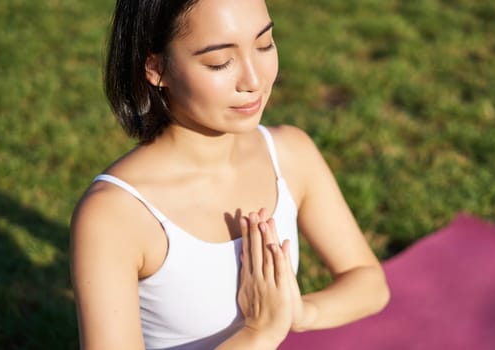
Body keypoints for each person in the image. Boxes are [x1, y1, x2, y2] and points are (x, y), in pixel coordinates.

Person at [70, 0, 390, 348]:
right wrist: (260, 332)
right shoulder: (115, 215)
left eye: (264, 43)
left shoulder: (290, 154)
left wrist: (296, 312)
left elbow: (370, 283)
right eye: (219, 62)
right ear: (155, 67)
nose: (254, 80)